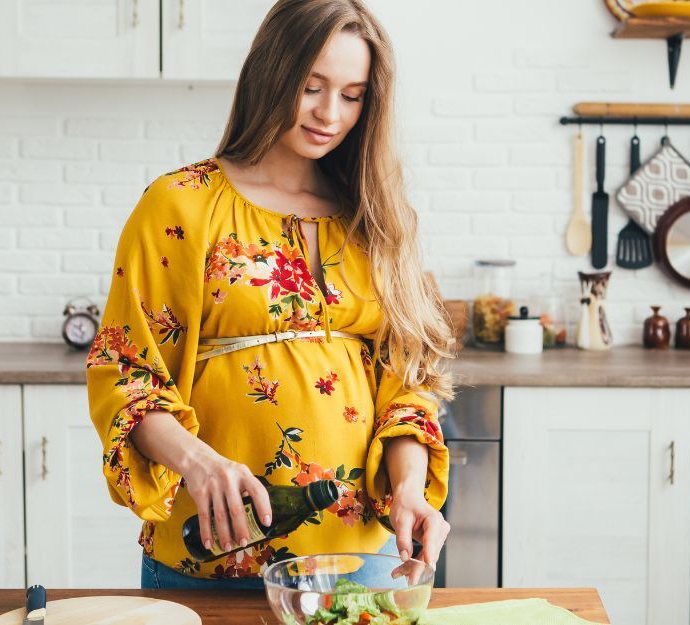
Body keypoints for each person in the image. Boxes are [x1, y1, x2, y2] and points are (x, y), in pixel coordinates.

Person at [85, 0, 455, 589]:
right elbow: (126, 374)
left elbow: (406, 382)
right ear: (271, 73)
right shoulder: (181, 204)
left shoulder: (377, 218)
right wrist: (197, 463)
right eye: (311, 86)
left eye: (353, 95)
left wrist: (409, 487)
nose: (329, 113)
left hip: (363, 556)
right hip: (220, 550)